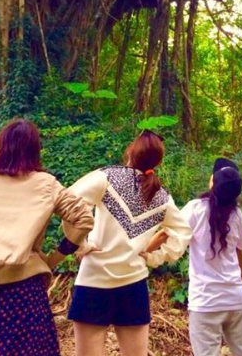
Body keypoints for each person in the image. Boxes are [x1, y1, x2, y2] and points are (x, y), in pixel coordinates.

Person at [0, 118, 94, 356]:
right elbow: (83, 218)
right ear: (34, 149)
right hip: (26, 293)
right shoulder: (45, 184)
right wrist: (54, 258)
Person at [66, 129, 192, 356]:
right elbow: (183, 233)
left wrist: (80, 244)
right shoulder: (162, 196)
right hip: (133, 286)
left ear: (130, 153)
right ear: (158, 161)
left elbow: (68, 204)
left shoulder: (106, 177)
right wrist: (154, 257)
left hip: (93, 281)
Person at [178, 158, 242, 356]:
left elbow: (172, 234)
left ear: (213, 181)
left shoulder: (195, 208)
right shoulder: (236, 213)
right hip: (236, 298)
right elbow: (239, 250)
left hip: (205, 301)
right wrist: (241, 273)